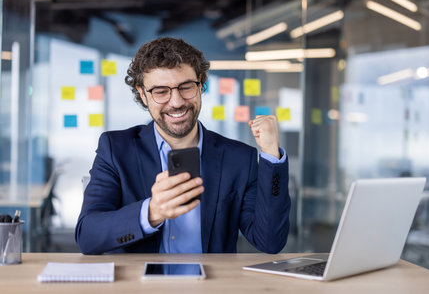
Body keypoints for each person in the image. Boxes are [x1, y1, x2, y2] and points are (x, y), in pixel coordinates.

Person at [75, 37, 290, 254]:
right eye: (161, 92)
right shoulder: (116, 149)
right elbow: (88, 236)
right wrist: (152, 212)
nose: (177, 102)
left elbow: (269, 242)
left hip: (212, 286)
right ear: (142, 94)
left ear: (201, 83)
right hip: (142, 286)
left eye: (186, 87)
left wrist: (271, 155)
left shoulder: (239, 158)